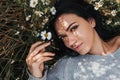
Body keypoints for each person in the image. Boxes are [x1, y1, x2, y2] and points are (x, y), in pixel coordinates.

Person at [26, 0, 120, 80]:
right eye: (63, 37)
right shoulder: (67, 67)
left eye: (73, 28)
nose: (70, 42)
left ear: (91, 21)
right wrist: (35, 74)